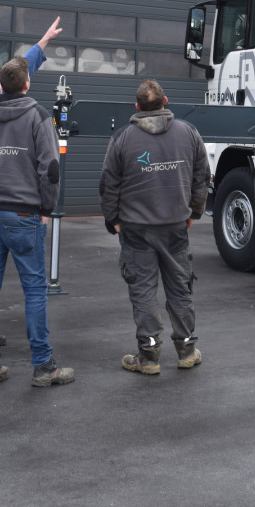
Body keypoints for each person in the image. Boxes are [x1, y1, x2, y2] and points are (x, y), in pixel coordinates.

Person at [0, 56, 74, 389]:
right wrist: (46, 209)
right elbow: (50, 169)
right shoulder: (38, 117)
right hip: (24, 215)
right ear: (26, 84)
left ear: (0, 88)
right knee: (34, 292)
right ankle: (42, 367)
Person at [99, 78, 210, 375]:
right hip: (175, 226)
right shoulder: (189, 133)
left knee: (143, 292)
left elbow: (108, 184)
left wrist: (114, 221)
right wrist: (193, 213)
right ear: (166, 101)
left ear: (137, 108)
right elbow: (202, 177)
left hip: (136, 229)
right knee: (180, 288)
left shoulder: (122, 138)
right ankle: (187, 350)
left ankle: (149, 357)